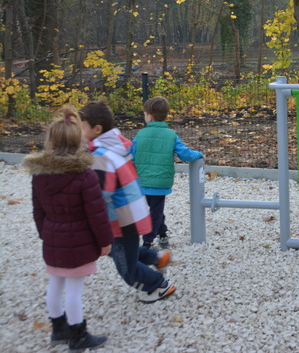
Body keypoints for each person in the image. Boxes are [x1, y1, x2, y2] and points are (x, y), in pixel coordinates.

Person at [25, 105, 113, 350]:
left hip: (53, 239)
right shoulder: (85, 176)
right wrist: (105, 242)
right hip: (79, 243)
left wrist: (45, 234)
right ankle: (78, 335)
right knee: (74, 289)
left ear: (51, 142)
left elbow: (38, 210)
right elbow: (97, 214)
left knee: (55, 284)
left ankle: (58, 329)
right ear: (78, 142)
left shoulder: (39, 175)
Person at [78, 100, 177, 304]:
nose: (79, 132)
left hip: (121, 220)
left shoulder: (100, 156)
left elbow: (99, 195)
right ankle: (156, 258)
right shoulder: (115, 145)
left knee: (126, 267)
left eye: (82, 127)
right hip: (130, 213)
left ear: (97, 129)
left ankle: (159, 285)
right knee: (118, 251)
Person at [132, 95, 203, 249]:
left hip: (142, 180)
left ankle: (148, 241)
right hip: (160, 181)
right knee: (156, 211)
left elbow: (131, 155)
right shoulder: (171, 135)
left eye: (144, 114)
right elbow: (185, 154)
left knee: (154, 211)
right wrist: (198, 155)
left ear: (150, 117)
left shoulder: (140, 135)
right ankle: (160, 234)